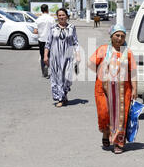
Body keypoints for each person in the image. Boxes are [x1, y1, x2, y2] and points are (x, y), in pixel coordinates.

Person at [89, 24, 138, 154]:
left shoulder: (128, 52)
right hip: (103, 89)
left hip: (123, 92)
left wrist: (135, 89)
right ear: (111, 36)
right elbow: (90, 63)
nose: (119, 38)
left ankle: (118, 143)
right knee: (104, 113)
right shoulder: (103, 49)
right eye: (117, 35)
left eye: (122, 36)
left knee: (120, 117)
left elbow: (133, 72)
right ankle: (106, 133)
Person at [44, 8, 80, 107]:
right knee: (57, 78)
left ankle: (64, 94)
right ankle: (60, 99)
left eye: (63, 15)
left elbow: (75, 42)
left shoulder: (72, 27)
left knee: (67, 77)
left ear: (67, 16)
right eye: (59, 15)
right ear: (57, 17)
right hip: (55, 57)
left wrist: (78, 55)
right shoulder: (53, 28)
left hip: (68, 56)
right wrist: (45, 56)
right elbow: (48, 43)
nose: (61, 17)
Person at [36, 4, 55, 78]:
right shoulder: (51, 19)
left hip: (41, 40)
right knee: (49, 56)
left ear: (41, 10)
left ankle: (44, 72)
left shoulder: (38, 19)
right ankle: (49, 67)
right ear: (47, 9)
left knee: (42, 56)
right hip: (50, 40)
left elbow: (35, 30)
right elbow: (54, 29)